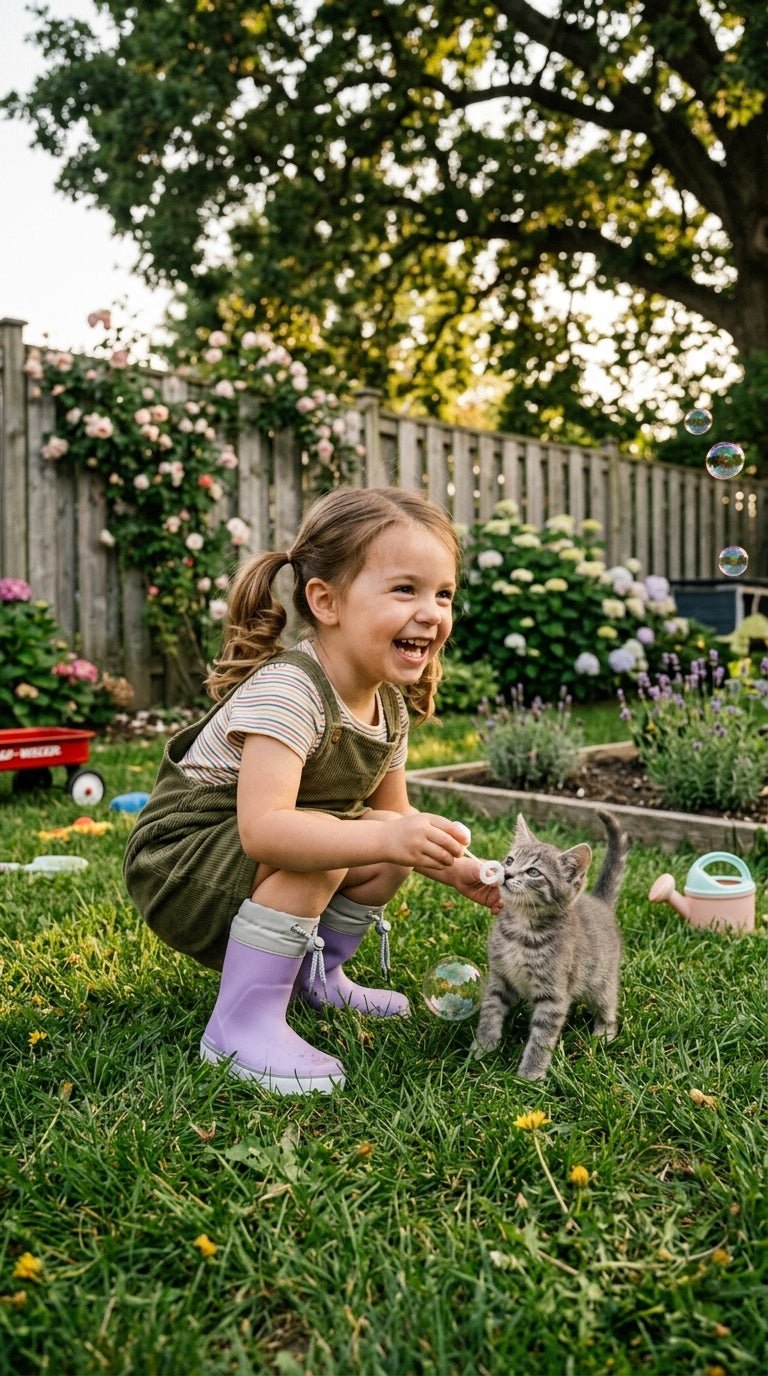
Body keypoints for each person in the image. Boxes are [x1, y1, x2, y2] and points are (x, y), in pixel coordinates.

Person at [124, 486, 501, 1094]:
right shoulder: (291, 690)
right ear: (325, 601)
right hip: (180, 863)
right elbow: (265, 830)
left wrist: (458, 867)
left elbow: (394, 818)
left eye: (444, 594)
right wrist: (374, 836)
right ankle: (239, 1025)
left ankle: (314, 976)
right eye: (405, 589)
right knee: (339, 846)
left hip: (247, 858)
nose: (432, 611)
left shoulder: (387, 707)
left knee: (382, 844)